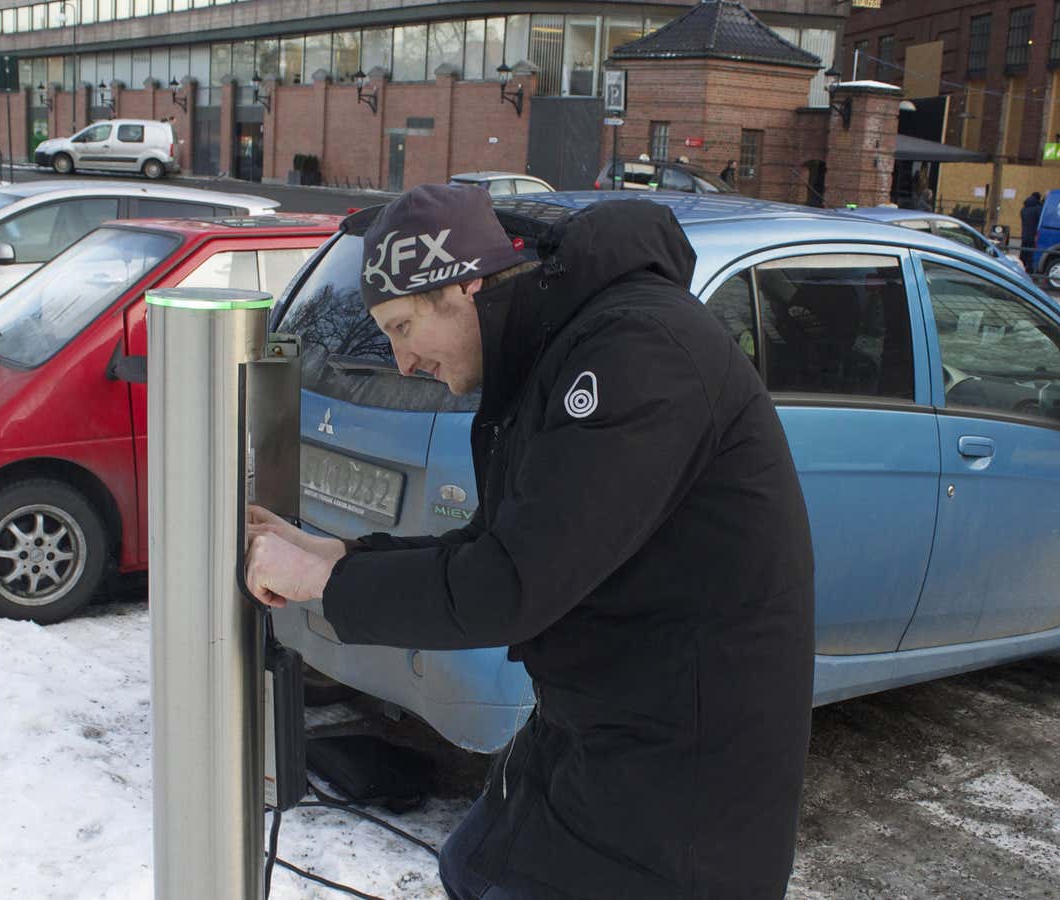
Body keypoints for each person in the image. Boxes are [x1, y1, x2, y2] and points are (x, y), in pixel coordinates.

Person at [245, 184, 816, 899]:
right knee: (471, 869)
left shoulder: (637, 355)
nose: (401, 362)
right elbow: (493, 543)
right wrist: (340, 557)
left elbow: (511, 585)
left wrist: (326, 586)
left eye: (400, 326)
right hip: (596, 737)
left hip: (681, 792)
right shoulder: (555, 353)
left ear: (463, 288)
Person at [1020, 191, 1043, 270]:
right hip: (1033, 234)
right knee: (1031, 253)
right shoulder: (1037, 209)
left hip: (1024, 233)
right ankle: (1029, 269)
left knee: (1023, 252)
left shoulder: (1024, 209)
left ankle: (1021, 267)